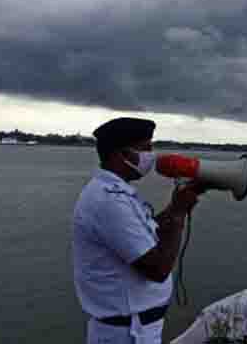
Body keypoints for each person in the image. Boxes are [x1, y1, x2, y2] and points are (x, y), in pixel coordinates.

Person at [72, 117, 204, 344]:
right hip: (127, 334)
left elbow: (149, 235)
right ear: (121, 154)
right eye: (145, 148)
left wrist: (175, 206)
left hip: (135, 329)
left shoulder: (116, 194)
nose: (151, 156)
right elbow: (157, 268)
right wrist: (179, 214)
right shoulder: (109, 202)